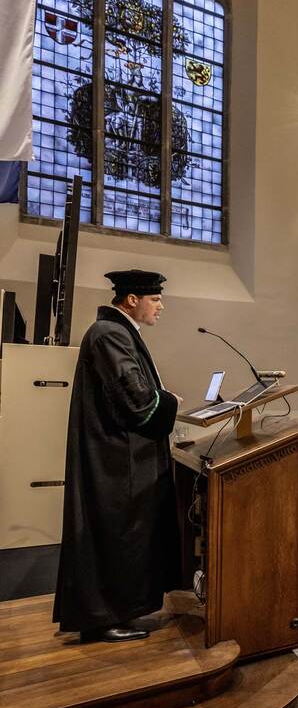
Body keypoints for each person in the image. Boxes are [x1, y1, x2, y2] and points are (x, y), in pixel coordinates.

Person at [55, 270, 183, 642]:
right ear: (132, 300)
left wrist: (163, 400)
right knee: (115, 534)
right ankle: (103, 617)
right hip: (112, 460)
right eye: (155, 299)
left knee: (123, 535)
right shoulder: (110, 334)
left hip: (117, 454)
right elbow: (135, 398)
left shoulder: (117, 332)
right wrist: (170, 402)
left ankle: (118, 612)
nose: (161, 306)